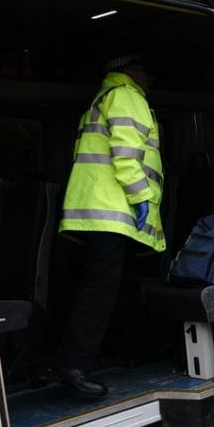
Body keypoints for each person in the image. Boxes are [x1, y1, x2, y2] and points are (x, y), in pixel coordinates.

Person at [54, 54, 165, 398]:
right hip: (113, 210)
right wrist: (141, 196)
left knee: (106, 285)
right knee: (100, 289)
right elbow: (127, 154)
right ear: (132, 71)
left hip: (97, 210)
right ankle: (74, 365)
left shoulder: (100, 100)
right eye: (147, 72)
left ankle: (123, 351)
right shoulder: (127, 96)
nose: (150, 80)